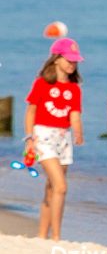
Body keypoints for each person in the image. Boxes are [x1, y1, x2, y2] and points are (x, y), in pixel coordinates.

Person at [24, 37, 84, 240]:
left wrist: (78, 132)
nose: (72, 63)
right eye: (69, 59)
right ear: (56, 59)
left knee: (51, 189)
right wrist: (29, 138)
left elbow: (75, 114)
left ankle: (42, 236)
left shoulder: (74, 88)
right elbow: (31, 111)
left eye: (75, 60)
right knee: (61, 186)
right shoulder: (41, 84)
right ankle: (57, 237)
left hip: (64, 139)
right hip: (43, 136)